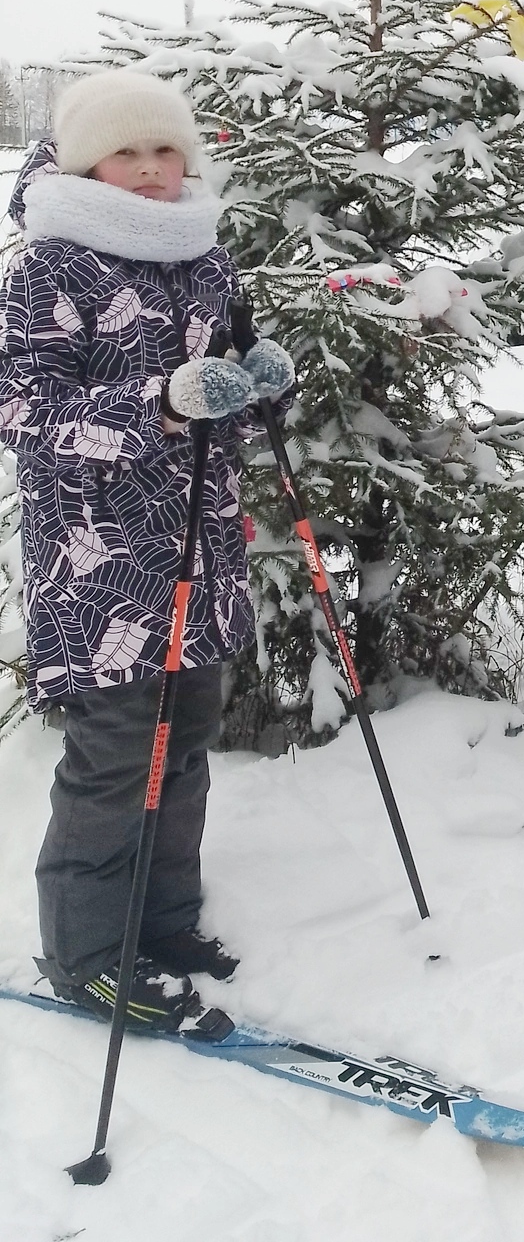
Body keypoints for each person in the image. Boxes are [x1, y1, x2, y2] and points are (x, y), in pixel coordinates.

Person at [0, 70, 293, 1030]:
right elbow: (24, 412)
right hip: (102, 559)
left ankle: (163, 919)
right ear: (89, 161)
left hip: (199, 549)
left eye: (167, 150)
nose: (154, 171)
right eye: (129, 151)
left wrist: (259, 384)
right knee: (121, 752)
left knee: (188, 740)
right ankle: (86, 955)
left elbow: (227, 393)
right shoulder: (52, 265)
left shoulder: (203, 254)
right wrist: (157, 405)